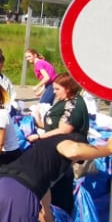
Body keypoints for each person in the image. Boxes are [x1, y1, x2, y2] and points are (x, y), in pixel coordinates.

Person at [28, 73, 90, 214]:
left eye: (57, 89)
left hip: (65, 151)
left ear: (68, 88)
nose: (54, 92)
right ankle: (54, 215)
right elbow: (54, 125)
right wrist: (37, 119)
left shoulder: (73, 104)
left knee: (60, 184)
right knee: (54, 184)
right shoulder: (65, 101)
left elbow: (64, 129)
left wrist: (39, 136)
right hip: (57, 149)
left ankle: (60, 217)